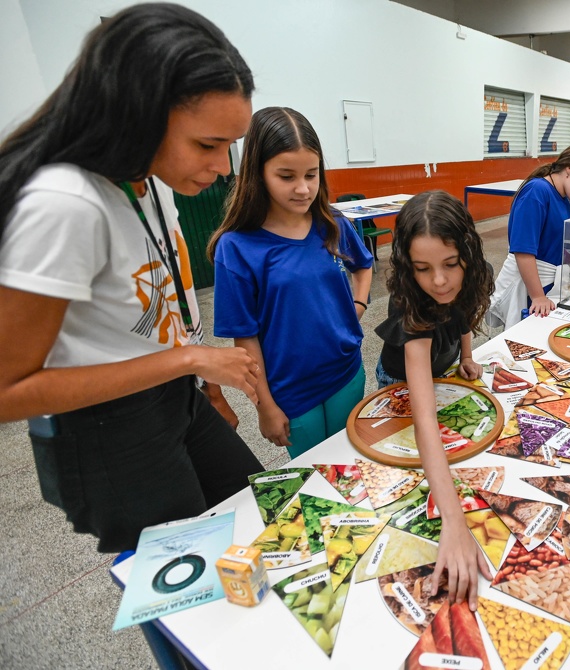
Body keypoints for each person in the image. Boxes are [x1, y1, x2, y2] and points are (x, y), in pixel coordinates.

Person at [0, 3, 264, 553]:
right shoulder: (66, 204)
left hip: (173, 394)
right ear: (140, 113)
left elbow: (168, 305)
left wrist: (203, 385)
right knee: (185, 581)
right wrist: (190, 361)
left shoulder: (152, 178)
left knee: (255, 513)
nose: (223, 168)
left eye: (230, 146)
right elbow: (8, 391)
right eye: (207, 145)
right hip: (107, 429)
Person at [209, 107, 374, 458]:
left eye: (311, 175)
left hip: (346, 372)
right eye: (286, 176)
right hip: (291, 391)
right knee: (318, 480)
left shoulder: (332, 225)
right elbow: (245, 337)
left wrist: (357, 306)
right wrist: (263, 404)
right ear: (257, 174)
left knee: (354, 462)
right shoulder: (237, 247)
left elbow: (363, 266)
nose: (303, 189)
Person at [374, 190, 495, 610]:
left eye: (450, 264)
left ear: (468, 255)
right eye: (423, 269)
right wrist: (454, 519)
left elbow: (463, 313)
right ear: (408, 268)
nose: (439, 281)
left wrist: (467, 354)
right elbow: (423, 418)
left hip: (444, 369)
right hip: (401, 380)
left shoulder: (473, 276)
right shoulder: (411, 298)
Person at [486, 142, 570, 328]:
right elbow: (523, 252)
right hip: (532, 289)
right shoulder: (537, 192)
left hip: (548, 287)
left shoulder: (563, 198)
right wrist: (538, 296)